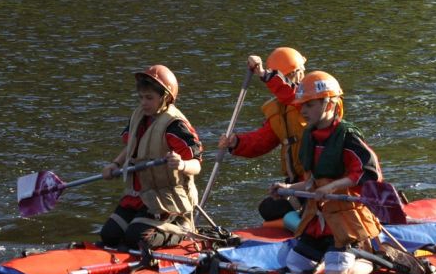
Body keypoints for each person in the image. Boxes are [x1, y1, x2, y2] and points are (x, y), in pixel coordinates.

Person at [272, 71, 383, 274]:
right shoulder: (310, 137)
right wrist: (288, 189)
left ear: (330, 104)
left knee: (336, 273)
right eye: (302, 105)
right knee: (294, 265)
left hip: (346, 222)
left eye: (309, 105)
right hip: (318, 221)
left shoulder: (347, 137)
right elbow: (312, 183)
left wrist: (331, 187)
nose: (303, 111)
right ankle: (326, 261)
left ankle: (369, 259)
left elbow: (370, 174)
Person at [99, 64, 203, 250]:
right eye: (141, 97)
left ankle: (182, 228)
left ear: (165, 98)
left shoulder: (176, 126)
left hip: (167, 199)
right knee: (109, 235)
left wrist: (181, 164)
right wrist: (115, 164)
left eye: (149, 98)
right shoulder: (139, 116)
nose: (144, 103)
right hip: (140, 195)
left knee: (137, 238)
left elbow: (197, 165)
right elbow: (132, 146)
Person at [218, 47, 307, 221]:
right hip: (296, 182)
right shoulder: (279, 110)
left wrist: (264, 74)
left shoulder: (310, 100)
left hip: (316, 182)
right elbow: (262, 141)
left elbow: (293, 94)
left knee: (272, 208)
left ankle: (308, 218)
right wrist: (236, 142)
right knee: (267, 208)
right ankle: (300, 215)